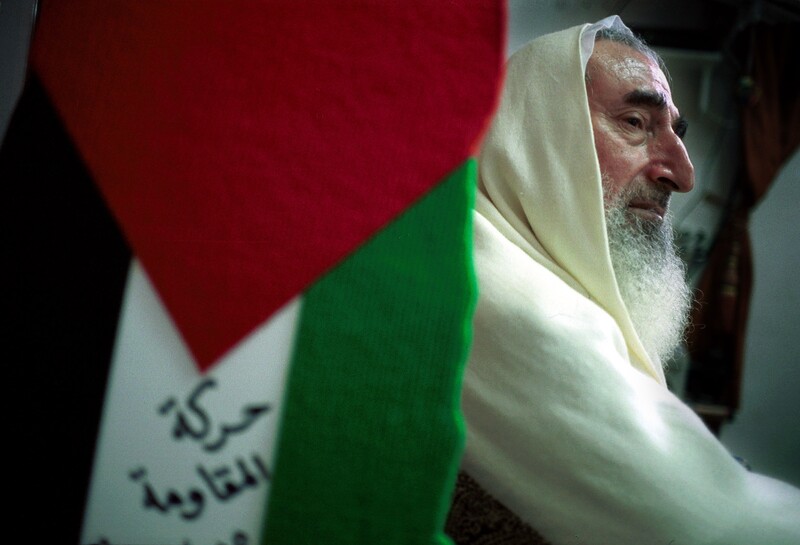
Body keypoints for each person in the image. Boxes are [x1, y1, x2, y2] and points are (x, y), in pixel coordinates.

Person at [446, 16, 800, 545]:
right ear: (536, 138)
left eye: (676, 134)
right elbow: (714, 528)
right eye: (635, 122)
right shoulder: (497, 303)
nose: (682, 174)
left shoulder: (541, 282)